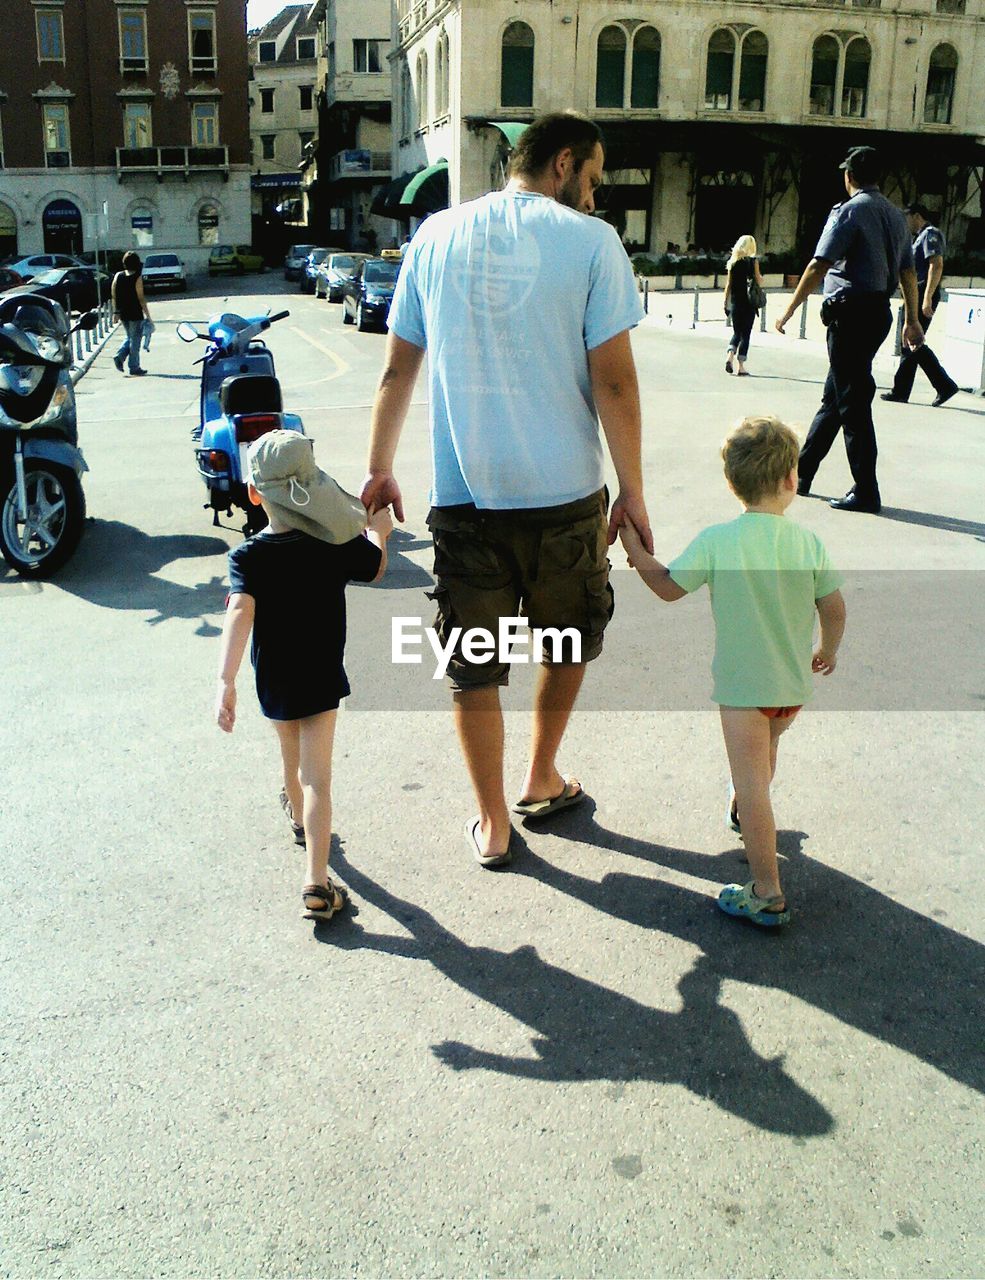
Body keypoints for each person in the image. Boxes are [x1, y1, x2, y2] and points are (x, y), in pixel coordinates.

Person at [360, 110, 651, 868]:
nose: (594, 196)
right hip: (564, 498)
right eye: (591, 179)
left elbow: (396, 369)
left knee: (474, 665)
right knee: (567, 639)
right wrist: (634, 492)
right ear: (561, 165)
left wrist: (379, 465)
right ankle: (540, 775)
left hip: (465, 500)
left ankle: (492, 821)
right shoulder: (591, 243)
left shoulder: (433, 237)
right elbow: (614, 383)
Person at [619, 415, 846, 928]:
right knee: (766, 753)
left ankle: (766, 890)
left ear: (731, 484)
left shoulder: (719, 540)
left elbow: (668, 587)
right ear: (792, 481)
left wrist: (635, 551)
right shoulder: (807, 543)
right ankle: (745, 815)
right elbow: (833, 607)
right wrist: (827, 649)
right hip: (791, 687)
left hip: (745, 691)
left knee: (752, 782)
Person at [215, 429, 392, 920]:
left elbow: (239, 613)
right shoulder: (331, 544)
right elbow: (375, 565)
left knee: (290, 761)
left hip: (273, 679)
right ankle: (316, 881)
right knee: (319, 779)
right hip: (320, 678)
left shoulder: (246, 557)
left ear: (254, 494)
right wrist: (379, 530)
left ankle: (297, 819)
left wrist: (224, 681)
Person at [775, 146, 924, 514]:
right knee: (836, 398)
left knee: (853, 404)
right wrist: (912, 319)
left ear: (850, 176)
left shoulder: (849, 212)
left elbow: (818, 264)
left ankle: (866, 490)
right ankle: (802, 473)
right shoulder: (894, 215)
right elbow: (907, 271)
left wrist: (789, 309)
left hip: (850, 316)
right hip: (877, 314)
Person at [881, 203, 959, 408]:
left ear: (916, 216)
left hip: (924, 292)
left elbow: (936, 264)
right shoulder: (919, 237)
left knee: (913, 341)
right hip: (916, 293)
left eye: (907, 217)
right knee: (911, 343)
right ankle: (916, 389)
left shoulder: (930, 234)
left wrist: (927, 298)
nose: (906, 222)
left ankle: (942, 385)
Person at [723, 235, 764, 376]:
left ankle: (729, 356)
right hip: (749, 303)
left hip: (735, 301)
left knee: (736, 332)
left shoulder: (733, 262)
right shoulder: (753, 262)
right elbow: (759, 280)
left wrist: (725, 302)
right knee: (745, 334)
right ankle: (740, 366)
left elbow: (728, 284)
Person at [112, 251, 151, 376]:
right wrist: (148, 315)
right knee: (135, 340)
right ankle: (134, 366)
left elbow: (114, 294)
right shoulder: (137, 277)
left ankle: (120, 356)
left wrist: (115, 312)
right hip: (135, 312)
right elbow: (141, 298)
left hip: (123, 313)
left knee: (130, 337)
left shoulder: (118, 276)